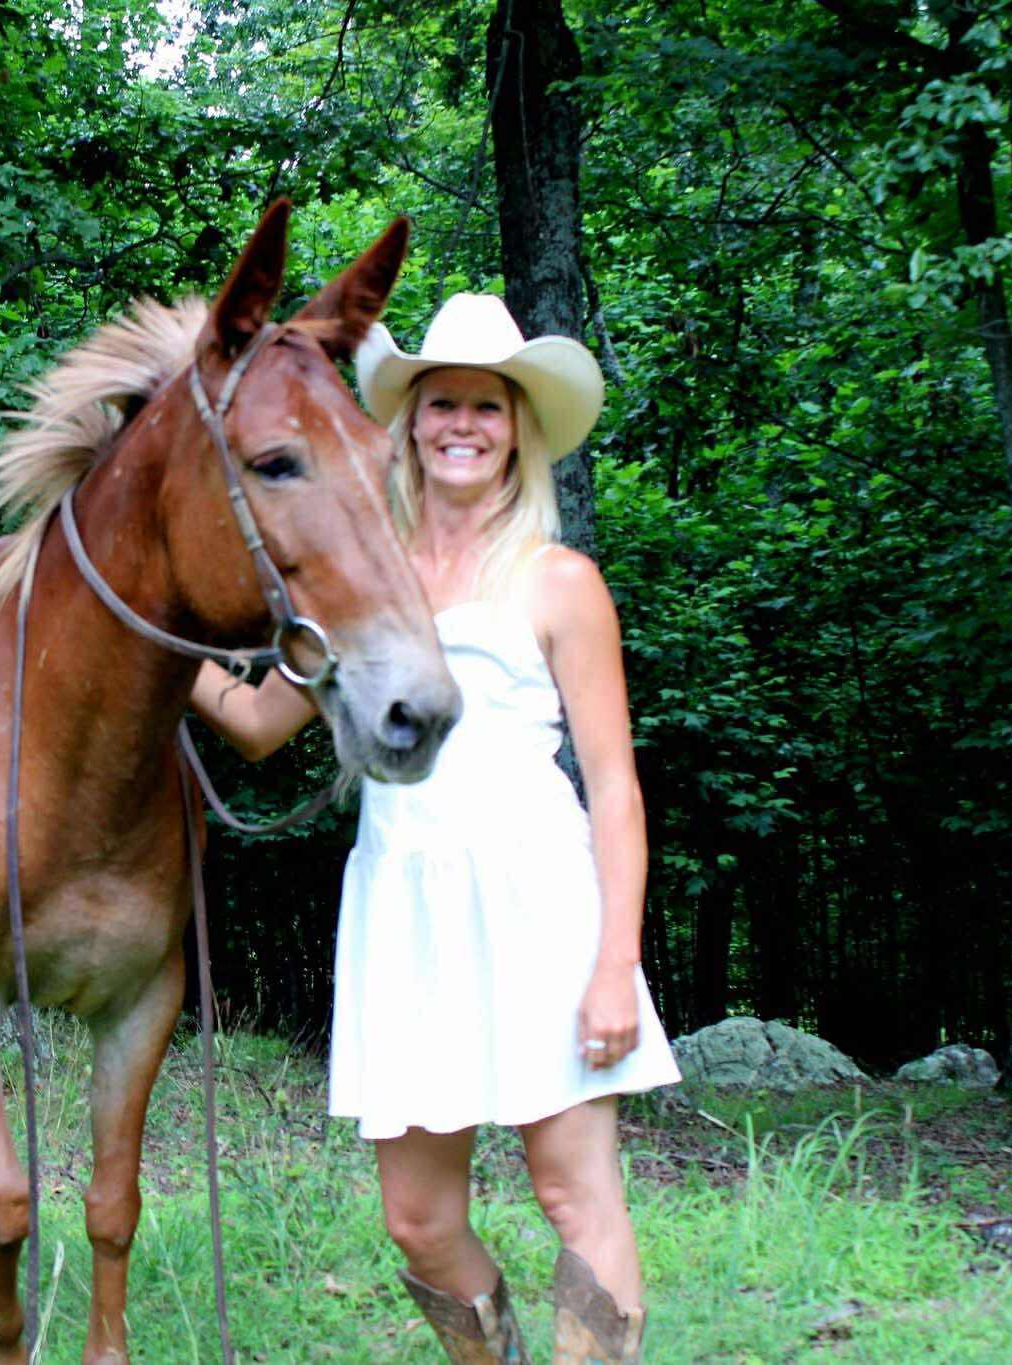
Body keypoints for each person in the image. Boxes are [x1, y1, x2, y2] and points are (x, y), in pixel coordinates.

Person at [189, 293, 681, 1364]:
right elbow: (261, 722)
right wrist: (158, 643)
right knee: (416, 1221)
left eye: (487, 407)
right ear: (409, 421)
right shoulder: (362, 582)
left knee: (570, 1190)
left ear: (518, 428)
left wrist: (614, 963)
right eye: (441, 403)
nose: (462, 424)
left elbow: (613, 787)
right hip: (404, 906)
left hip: (537, 903)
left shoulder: (558, 583)